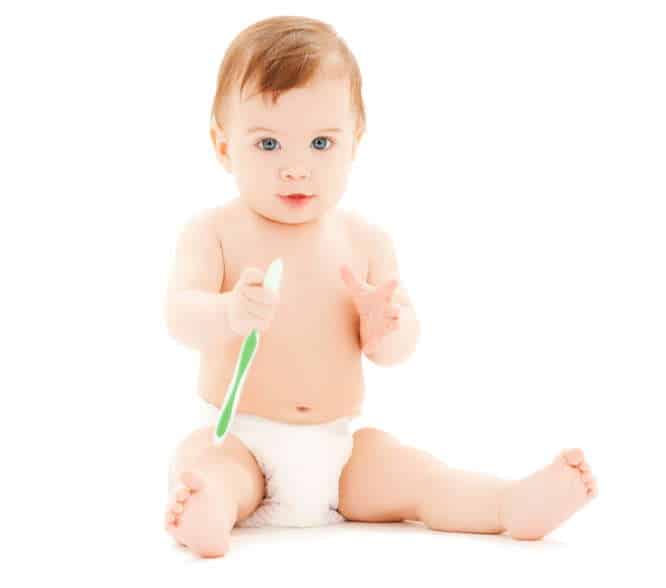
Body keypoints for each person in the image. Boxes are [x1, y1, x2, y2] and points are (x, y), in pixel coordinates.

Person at [164, 15, 597, 558]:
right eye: (268, 144)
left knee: (417, 475)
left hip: (338, 449)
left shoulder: (365, 240)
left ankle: (509, 504)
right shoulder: (215, 233)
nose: (296, 167)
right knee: (207, 460)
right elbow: (180, 312)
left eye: (321, 142)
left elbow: (395, 349)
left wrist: (386, 325)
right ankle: (211, 510)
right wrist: (227, 312)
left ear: (354, 143)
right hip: (244, 439)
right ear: (223, 146)